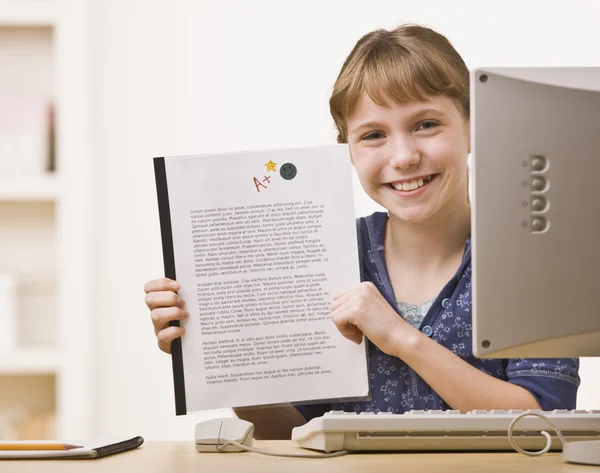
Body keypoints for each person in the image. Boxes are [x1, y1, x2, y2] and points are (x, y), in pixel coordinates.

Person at [144, 24, 580, 439]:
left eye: (426, 124)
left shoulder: (535, 259)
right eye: (373, 134)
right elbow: (290, 433)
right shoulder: (320, 257)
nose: (405, 156)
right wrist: (207, 355)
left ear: (474, 126)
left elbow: (545, 425)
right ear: (346, 152)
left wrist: (402, 339)